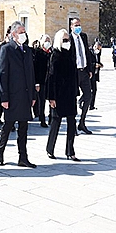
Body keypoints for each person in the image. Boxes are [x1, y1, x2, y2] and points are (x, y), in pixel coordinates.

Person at [0, 21, 37, 168]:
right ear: (13, 34)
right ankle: (0, 152)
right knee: (8, 126)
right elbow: (2, 74)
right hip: (12, 96)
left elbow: (31, 74)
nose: (23, 34)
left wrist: (33, 95)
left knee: (24, 128)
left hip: (25, 96)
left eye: (24, 31)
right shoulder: (6, 49)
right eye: (21, 32)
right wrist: (4, 97)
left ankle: (23, 157)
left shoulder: (27, 50)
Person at [45, 29, 80, 161]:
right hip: (58, 95)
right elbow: (51, 77)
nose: (67, 42)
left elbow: (74, 75)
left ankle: (70, 151)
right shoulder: (55, 55)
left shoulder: (70, 54)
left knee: (72, 122)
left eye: (68, 40)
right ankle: (50, 148)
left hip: (70, 94)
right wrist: (51, 97)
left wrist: (76, 91)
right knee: (56, 123)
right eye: (64, 40)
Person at [69, 17, 95, 135]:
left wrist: (90, 69)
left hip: (84, 71)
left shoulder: (83, 37)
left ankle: (82, 122)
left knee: (88, 95)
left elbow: (87, 53)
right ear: (71, 27)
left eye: (79, 25)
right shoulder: (68, 39)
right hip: (74, 73)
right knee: (72, 99)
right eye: (75, 25)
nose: (78, 27)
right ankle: (72, 125)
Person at [33, 34, 51, 128]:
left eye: (49, 40)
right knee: (42, 101)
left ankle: (51, 118)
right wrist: (37, 82)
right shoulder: (38, 53)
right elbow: (36, 69)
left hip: (50, 80)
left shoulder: (51, 53)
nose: (47, 42)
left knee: (51, 99)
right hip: (41, 80)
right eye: (46, 40)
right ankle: (42, 118)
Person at [89, 42, 103, 110]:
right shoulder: (90, 52)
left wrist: (100, 64)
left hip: (95, 75)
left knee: (94, 90)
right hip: (90, 74)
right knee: (89, 91)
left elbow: (98, 61)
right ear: (95, 46)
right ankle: (81, 101)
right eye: (98, 48)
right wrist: (95, 65)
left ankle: (92, 106)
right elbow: (88, 63)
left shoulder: (98, 53)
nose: (99, 50)